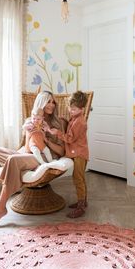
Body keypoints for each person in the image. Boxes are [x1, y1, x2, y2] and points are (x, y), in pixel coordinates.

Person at [0, 91, 66, 229]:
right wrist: (30, 131)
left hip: (44, 157)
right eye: (48, 101)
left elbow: (61, 151)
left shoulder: (58, 123)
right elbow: (27, 146)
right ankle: (19, 164)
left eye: (53, 102)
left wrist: (46, 139)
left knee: (12, 161)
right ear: (41, 103)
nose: (52, 105)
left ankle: (0, 209)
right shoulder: (31, 120)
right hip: (28, 152)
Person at [48, 90, 89, 218]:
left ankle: (81, 206)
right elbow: (70, 127)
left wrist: (57, 133)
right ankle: (83, 201)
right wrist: (64, 120)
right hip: (76, 153)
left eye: (74, 109)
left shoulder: (80, 122)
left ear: (82, 109)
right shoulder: (75, 118)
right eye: (70, 108)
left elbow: (70, 138)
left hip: (80, 154)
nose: (71, 111)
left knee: (78, 178)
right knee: (79, 178)